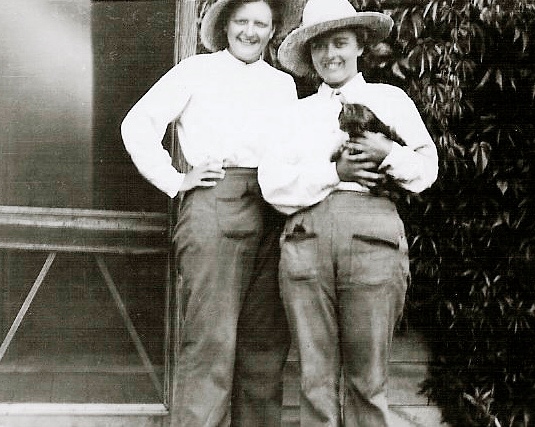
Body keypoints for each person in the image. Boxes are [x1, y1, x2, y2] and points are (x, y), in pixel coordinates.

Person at [258, 0, 439, 425]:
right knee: (315, 378)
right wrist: (332, 171)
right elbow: (273, 185)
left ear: (360, 45)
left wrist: (387, 151)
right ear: (309, 55)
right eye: (319, 46)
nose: (330, 55)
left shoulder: (390, 100)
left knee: (369, 378)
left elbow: (426, 171)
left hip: (373, 238)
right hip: (307, 241)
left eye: (340, 42)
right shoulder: (295, 114)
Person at [120, 0, 297, 425]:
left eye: (261, 23)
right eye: (242, 21)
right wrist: (175, 178)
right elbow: (137, 123)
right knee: (211, 344)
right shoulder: (196, 71)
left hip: (274, 210)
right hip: (216, 203)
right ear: (224, 25)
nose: (250, 31)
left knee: (264, 350)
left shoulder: (283, 85)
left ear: (273, 30)